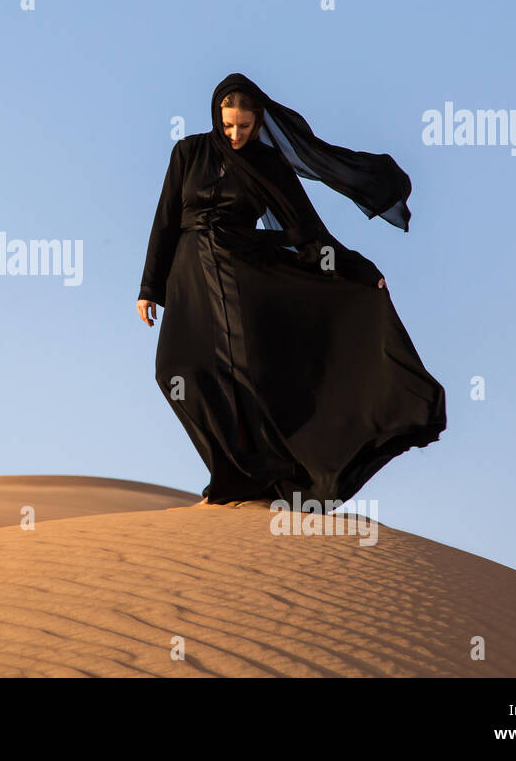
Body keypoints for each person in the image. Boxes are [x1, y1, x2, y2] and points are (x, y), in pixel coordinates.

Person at [137, 73, 446, 508]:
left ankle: (237, 478)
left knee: (244, 377)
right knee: (174, 372)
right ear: (215, 118)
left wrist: (357, 269)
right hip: (188, 278)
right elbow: (165, 220)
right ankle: (239, 471)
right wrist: (149, 287)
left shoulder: (269, 165)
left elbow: (307, 232)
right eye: (228, 125)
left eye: (244, 126)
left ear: (258, 121)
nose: (236, 134)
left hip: (241, 275)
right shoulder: (188, 152)